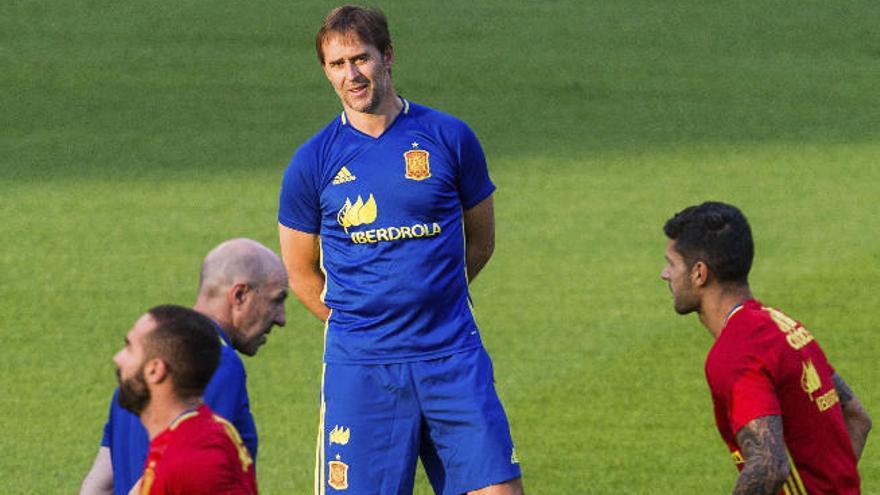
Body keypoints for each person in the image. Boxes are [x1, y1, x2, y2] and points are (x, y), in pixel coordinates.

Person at [278, 5, 523, 495]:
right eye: (337, 64)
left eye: (361, 59)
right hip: (363, 369)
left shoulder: (450, 138)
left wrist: (433, 296)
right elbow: (301, 275)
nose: (352, 74)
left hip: (451, 356)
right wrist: (364, 321)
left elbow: (482, 241)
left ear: (387, 57)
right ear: (326, 71)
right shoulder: (312, 162)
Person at [660, 201, 871, 494]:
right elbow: (857, 418)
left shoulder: (736, 353)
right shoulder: (784, 327)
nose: (665, 274)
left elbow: (768, 466)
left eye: (672, 264)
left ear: (699, 273)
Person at [80, 238, 287, 495]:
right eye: (277, 300)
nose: (281, 318)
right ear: (240, 295)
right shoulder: (214, 360)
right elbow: (181, 455)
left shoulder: (142, 366)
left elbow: (98, 486)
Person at [112, 304, 257, 494]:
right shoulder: (202, 434)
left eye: (129, 347)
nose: (118, 358)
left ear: (155, 370)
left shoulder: (189, 461)